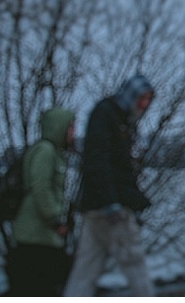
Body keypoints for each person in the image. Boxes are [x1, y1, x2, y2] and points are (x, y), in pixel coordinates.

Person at [64, 75, 156, 296]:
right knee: (135, 265)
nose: (144, 106)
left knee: (86, 270)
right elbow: (98, 160)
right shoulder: (108, 116)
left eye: (147, 101)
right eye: (142, 100)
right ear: (132, 96)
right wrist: (111, 202)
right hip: (111, 208)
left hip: (96, 206)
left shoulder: (116, 117)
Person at [7, 107, 76, 296]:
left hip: (43, 237)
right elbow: (41, 188)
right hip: (34, 237)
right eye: (70, 127)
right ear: (58, 127)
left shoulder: (55, 153)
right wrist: (55, 220)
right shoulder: (45, 151)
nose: (73, 133)